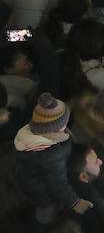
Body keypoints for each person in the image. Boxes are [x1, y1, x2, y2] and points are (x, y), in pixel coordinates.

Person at [15, 92, 92, 225]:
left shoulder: (33, 133)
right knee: (45, 217)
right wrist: (75, 202)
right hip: (43, 195)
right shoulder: (51, 154)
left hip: (31, 179)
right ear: (55, 127)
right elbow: (58, 185)